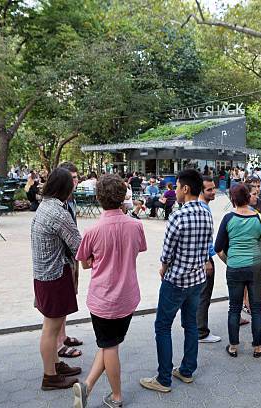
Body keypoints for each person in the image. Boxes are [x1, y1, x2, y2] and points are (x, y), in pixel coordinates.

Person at [72, 174, 147, 408]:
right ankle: (87, 386)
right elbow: (137, 249)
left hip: (102, 299)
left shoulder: (92, 231)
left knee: (109, 346)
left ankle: (116, 397)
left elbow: (84, 263)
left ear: (98, 198)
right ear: (124, 196)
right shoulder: (136, 226)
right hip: (127, 297)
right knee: (108, 344)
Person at [140, 169, 213, 393]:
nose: (175, 191)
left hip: (176, 280)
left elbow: (167, 253)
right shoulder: (206, 213)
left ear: (185, 189)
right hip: (197, 279)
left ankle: (163, 379)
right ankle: (187, 370)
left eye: (178, 186)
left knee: (162, 326)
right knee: (190, 324)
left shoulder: (178, 216)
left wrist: (163, 268)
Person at [31, 168, 83, 391]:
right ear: (65, 188)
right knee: (51, 329)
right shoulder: (59, 213)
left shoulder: (46, 206)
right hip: (54, 275)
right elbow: (79, 245)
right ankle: (50, 377)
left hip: (44, 275)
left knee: (49, 325)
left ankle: (55, 365)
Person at [215, 183, 261, 358]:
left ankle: (233, 347)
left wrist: (230, 262)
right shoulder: (258, 218)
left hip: (234, 267)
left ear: (233, 200)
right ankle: (257, 347)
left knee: (234, 308)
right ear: (248, 198)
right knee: (257, 308)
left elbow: (218, 248)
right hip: (256, 267)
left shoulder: (228, 219)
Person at [57, 162, 84, 357]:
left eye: (76, 177)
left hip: (70, 257)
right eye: (71, 178)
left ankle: (63, 335)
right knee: (58, 304)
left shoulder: (70, 200)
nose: (75, 181)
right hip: (59, 260)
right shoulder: (57, 204)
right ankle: (58, 344)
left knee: (67, 298)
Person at [196, 176, 221, 344]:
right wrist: (206, 260)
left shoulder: (200, 207)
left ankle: (196, 328)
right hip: (204, 259)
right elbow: (201, 238)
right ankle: (201, 332)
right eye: (209, 190)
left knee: (200, 295)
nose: (213, 192)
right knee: (204, 295)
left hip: (202, 257)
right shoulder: (202, 209)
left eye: (214, 188)